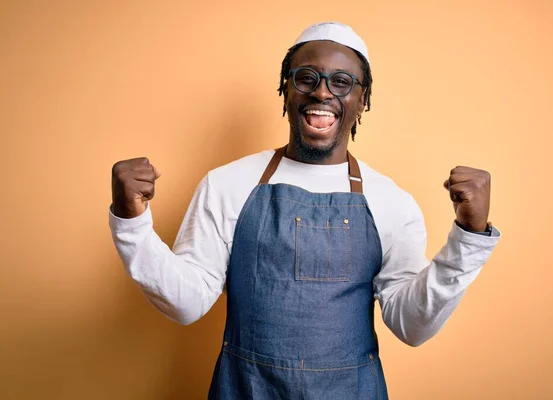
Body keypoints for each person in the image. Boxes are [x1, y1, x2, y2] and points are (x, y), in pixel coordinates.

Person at [109, 22, 501, 400]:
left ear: (362, 100)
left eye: (342, 82)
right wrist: (132, 224)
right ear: (286, 89)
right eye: (307, 78)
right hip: (246, 389)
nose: (322, 93)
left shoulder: (392, 201)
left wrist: (468, 237)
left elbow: (412, 326)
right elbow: (186, 302)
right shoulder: (227, 184)